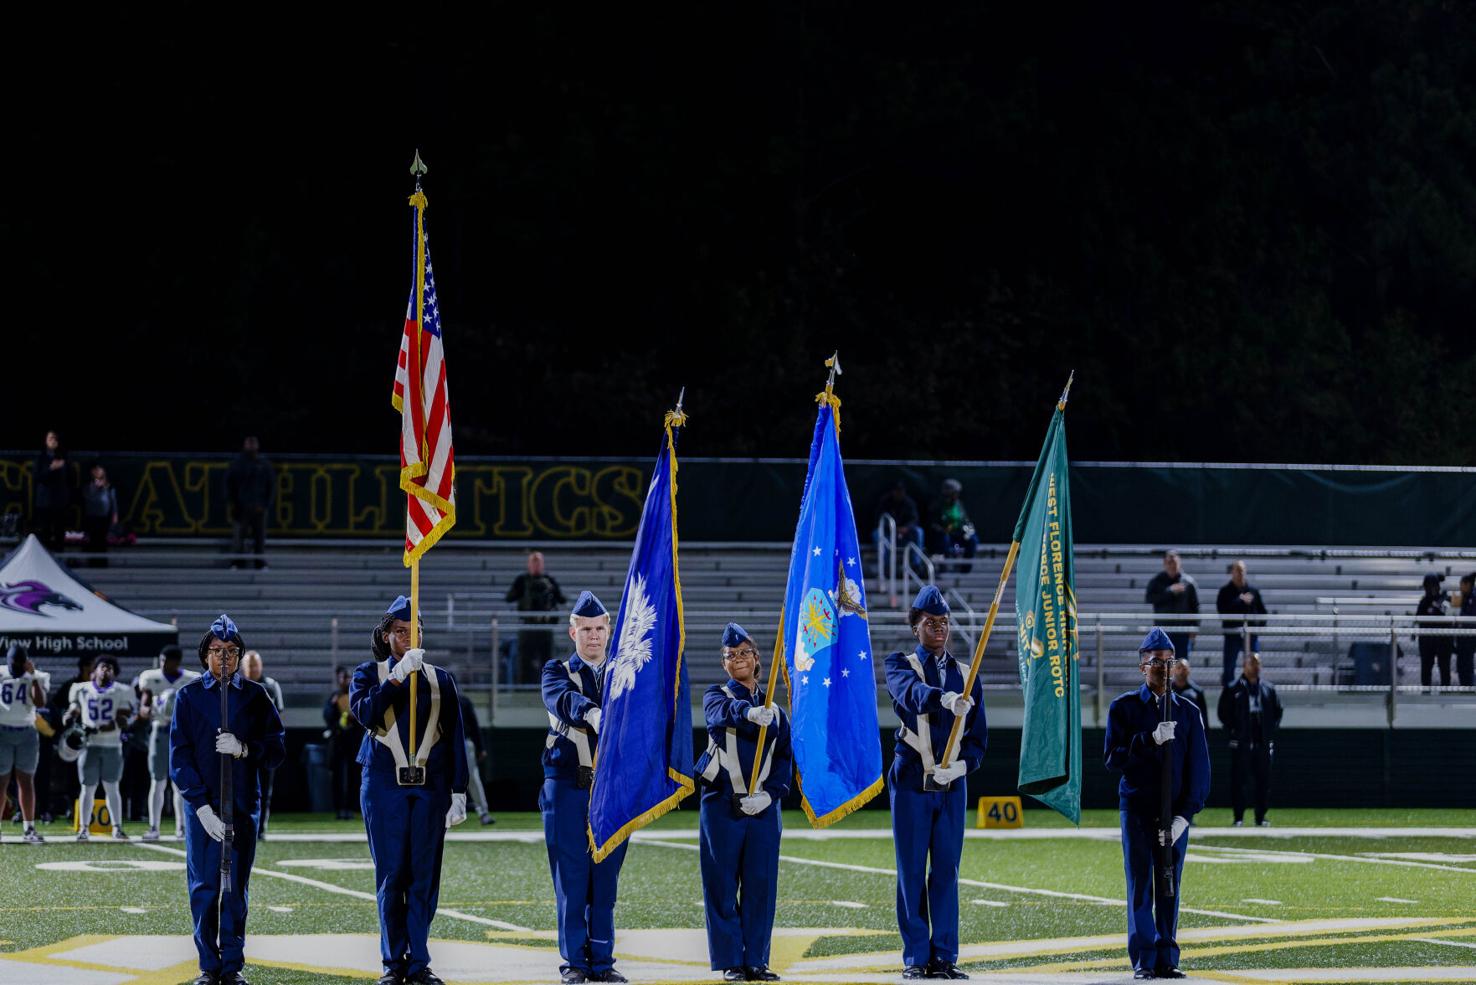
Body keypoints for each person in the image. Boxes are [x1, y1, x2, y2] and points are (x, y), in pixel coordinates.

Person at [351, 595, 469, 985]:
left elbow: (455, 737)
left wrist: (459, 790)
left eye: (414, 631)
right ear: (386, 636)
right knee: (391, 876)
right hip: (384, 786)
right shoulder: (368, 673)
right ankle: (392, 963)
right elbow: (366, 713)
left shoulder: (441, 679)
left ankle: (418, 961)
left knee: (424, 877)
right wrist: (398, 675)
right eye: (400, 632)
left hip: (430, 787)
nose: (408, 638)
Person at [170, 614, 286, 985]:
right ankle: (208, 964)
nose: (224, 657)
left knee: (235, 889)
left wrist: (245, 749)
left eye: (232, 651)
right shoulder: (188, 697)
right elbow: (179, 757)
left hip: (241, 805)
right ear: (205, 654)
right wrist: (200, 806)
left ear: (240, 655)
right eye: (217, 650)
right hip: (204, 808)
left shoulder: (255, 696)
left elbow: (277, 749)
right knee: (204, 888)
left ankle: (232, 964)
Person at [884, 585, 988, 980]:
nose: (939, 628)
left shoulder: (967, 673)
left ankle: (945, 956)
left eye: (944, 622)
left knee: (946, 870)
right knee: (911, 870)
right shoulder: (901, 664)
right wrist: (943, 698)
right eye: (931, 622)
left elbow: (978, 738)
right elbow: (908, 694)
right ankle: (915, 956)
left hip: (951, 786)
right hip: (912, 778)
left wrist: (962, 767)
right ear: (916, 627)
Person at [1104, 628, 1210, 980]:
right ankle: (1144, 959)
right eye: (1156, 662)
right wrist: (1147, 739)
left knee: (1169, 884)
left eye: (1169, 661)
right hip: (1138, 808)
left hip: (1173, 813)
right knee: (1141, 883)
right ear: (1142, 667)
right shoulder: (1124, 708)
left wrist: (1185, 816)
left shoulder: (1188, 712)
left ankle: (1167, 955)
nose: (1164, 668)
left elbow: (1199, 768)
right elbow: (1113, 758)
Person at [541, 591, 629, 984]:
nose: (593, 636)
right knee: (572, 879)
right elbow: (561, 699)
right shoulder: (556, 670)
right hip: (568, 787)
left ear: (609, 631)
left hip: (612, 790)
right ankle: (575, 962)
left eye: (599, 629)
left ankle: (603, 961)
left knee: (606, 881)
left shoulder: (625, 674)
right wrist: (590, 712)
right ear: (572, 632)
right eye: (586, 629)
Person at [696, 623, 792, 983]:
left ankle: (757, 960)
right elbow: (719, 714)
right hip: (722, 804)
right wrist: (748, 713)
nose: (738, 658)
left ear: (757, 659)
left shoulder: (776, 712)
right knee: (721, 883)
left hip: (763, 809)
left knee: (760, 884)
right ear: (724, 663)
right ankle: (730, 961)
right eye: (730, 655)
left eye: (744, 653)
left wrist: (770, 794)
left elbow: (783, 760)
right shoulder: (716, 695)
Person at [66, 655, 138, 841]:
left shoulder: (121, 690)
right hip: (89, 746)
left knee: (112, 787)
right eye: (103, 667)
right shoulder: (82, 689)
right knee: (87, 788)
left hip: (112, 745)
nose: (106, 670)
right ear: (95, 670)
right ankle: (84, 828)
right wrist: (69, 716)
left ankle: (117, 827)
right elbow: (74, 708)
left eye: (110, 668)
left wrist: (100, 728)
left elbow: (123, 719)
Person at [136, 644, 200, 842]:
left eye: (167, 661)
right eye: (162, 660)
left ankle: (181, 827)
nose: (163, 664)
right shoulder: (150, 677)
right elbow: (144, 706)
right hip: (160, 731)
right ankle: (154, 827)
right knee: (157, 781)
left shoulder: (191, 679)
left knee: (179, 782)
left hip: (182, 734)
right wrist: (147, 710)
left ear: (177, 662)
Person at [1217, 652, 1283, 827]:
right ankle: (1238, 817)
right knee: (1239, 781)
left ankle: (1260, 817)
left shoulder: (1268, 688)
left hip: (1262, 742)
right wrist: (1234, 732)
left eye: (1258, 663)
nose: (1255, 667)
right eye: (1252, 663)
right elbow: (1223, 713)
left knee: (1263, 781)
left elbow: (1277, 712)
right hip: (1242, 742)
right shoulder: (1233, 688)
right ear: (1244, 665)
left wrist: (1269, 731)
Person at [0, 645, 50, 843]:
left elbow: (41, 703)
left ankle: (29, 827)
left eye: (20, 663)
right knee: (1, 782)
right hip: (2, 731)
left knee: (26, 781)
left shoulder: (38, 676)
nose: (17, 666)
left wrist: (34, 677)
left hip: (27, 731)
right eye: (14, 663)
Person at [47, 654, 96, 820]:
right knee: (69, 774)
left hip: (92, 737)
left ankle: (86, 808)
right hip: (73, 737)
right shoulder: (72, 686)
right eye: (92, 666)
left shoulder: (97, 688)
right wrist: (65, 722)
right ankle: (69, 806)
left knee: (87, 775)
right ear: (84, 667)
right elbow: (56, 706)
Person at [506, 551, 568, 684]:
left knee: (547, 659)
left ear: (542, 565)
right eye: (533, 563)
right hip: (527, 626)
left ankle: (549, 686)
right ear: (528, 565)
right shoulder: (522, 580)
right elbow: (510, 597)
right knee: (525, 659)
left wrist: (548, 591)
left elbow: (561, 599)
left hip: (545, 627)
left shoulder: (549, 580)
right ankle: (524, 688)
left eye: (538, 563)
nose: (536, 566)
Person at [240, 652, 284, 837]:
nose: (253, 669)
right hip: (242, 745)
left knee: (265, 789)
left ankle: (260, 827)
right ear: (243, 668)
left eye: (255, 665)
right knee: (243, 786)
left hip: (265, 745)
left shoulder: (271, 686)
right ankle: (245, 824)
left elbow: (279, 715)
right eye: (250, 665)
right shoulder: (237, 685)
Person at [1214, 560, 1266, 687]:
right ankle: (1229, 693)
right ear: (1232, 572)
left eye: (1242, 570)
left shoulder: (1253, 591)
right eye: (1237, 570)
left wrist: (1257, 627)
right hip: (1232, 634)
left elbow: (1262, 612)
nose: (1240, 573)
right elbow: (1222, 611)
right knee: (1229, 667)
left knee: (1253, 664)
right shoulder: (1225, 591)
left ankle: (1254, 690)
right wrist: (1239, 601)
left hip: (1251, 635)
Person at [226, 436, 274, 570]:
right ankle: (237, 562)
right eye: (249, 443)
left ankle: (259, 562)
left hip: (259, 507)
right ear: (244, 445)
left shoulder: (264, 464)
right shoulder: (237, 464)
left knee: (259, 537)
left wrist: (265, 505)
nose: (251, 446)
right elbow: (229, 484)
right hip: (241, 507)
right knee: (238, 537)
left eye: (253, 444)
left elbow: (271, 486)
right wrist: (233, 503)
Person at [1145, 551, 1200, 661]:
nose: (1172, 565)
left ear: (1180, 563)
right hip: (1163, 631)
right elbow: (1149, 598)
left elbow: (1195, 607)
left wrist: (1194, 628)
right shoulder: (1157, 581)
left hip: (1183, 631)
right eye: (1169, 562)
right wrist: (1169, 591)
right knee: (1163, 665)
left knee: (1181, 664)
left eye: (1174, 562)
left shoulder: (1188, 582)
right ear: (1164, 564)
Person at [323, 666, 361, 820]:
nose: (345, 681)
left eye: (347, 677)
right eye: (342, 678)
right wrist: (334, 706)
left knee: (354, 776)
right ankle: (339, 808)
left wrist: (354, 718)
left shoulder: (357, 696)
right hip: (338, 743)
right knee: (338, 777)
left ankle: (352, 807)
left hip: (354, 742)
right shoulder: (335, 697)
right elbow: (328, 717)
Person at [456, 688, 495, 825]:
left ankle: (483, 812)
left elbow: (473, 724)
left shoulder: (463, 701)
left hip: (464, 742)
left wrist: (480, 747)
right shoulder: (437, 700)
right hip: (443, 743)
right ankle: (444, 815)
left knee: (472, 777)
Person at [927, 479, 980, 573]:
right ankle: (945, 566)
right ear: (948, 493)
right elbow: (932, 524)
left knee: (973, 539)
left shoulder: (959, 504)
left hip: (959, 534)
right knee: (944, 539)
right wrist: (943, 530)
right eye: (955, 493)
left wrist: (967, 530)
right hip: (944, 535)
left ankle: (965, 569)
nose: (957, 495)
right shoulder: (937, 505)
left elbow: (965, 520)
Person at [875, 480, 925, 579]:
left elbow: (914, 519)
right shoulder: (885, 502)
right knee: (876, 534)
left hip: (905, 535)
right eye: (897, 491)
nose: (899, 493)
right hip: (888, 533)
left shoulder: (909, 503)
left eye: (901, 491)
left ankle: (916, 565)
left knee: (919, 532)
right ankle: (886, 567)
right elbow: (879, 519)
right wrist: (893, 529)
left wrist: (906, 528)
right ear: (892, 491)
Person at [33, 430, 71, 551]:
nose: (53, 440)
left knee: (60, 532)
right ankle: (45, 558)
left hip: (60, 502)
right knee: (45, 532)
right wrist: (51, 468)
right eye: (50, 438)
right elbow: (37, 478)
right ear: (46, 441)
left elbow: (69, 479)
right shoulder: (40, 458)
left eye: (55, 438)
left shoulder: (64, 457)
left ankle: (59, 558)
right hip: (45, 502)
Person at [1415, 573, 1454, 687]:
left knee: (1444, 668)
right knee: (1426, 668)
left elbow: (1449, 615)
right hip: (1427, 640)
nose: (1430, 589)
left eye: (1432, 586)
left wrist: (1437, 606)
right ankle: (1426, 692)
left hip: (1443, 640)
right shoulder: (1424, 602)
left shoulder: (1445, 599)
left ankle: (1445, 693)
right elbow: (1419, 618)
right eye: (1427, 587)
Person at [80, 464, 121, 567]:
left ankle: (102, 563)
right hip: (92, 517)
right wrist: (95, 487)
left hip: (104, 518)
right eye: (95, 469)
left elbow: (113, 502)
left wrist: (115, 515)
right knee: (93, 540)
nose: (97, 471)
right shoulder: (87, 485)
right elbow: (87, 498)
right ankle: (92, 562)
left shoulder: (109, 487)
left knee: (102, 540)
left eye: (99, 469)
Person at [1169, 658, 1208, 729]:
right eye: (1178, 668)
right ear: (1173, 670)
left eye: (1184, 669)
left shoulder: (1197, 691)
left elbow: (1203, 716)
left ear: (1189, 671)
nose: (1181, 671)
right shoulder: (1166, 691)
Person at [1456, 572, 1476, 688]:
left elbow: (1471, 617)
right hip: (1463, 637)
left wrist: (1460, 619)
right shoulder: (1465, 597)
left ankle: (1468, 686)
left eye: (1461, 585)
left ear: (1467, 584)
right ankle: (1465, 686)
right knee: (1463, 663)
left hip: (1469, 637)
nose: (1460, 588)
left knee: (1467, 663)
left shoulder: (1473, 598)